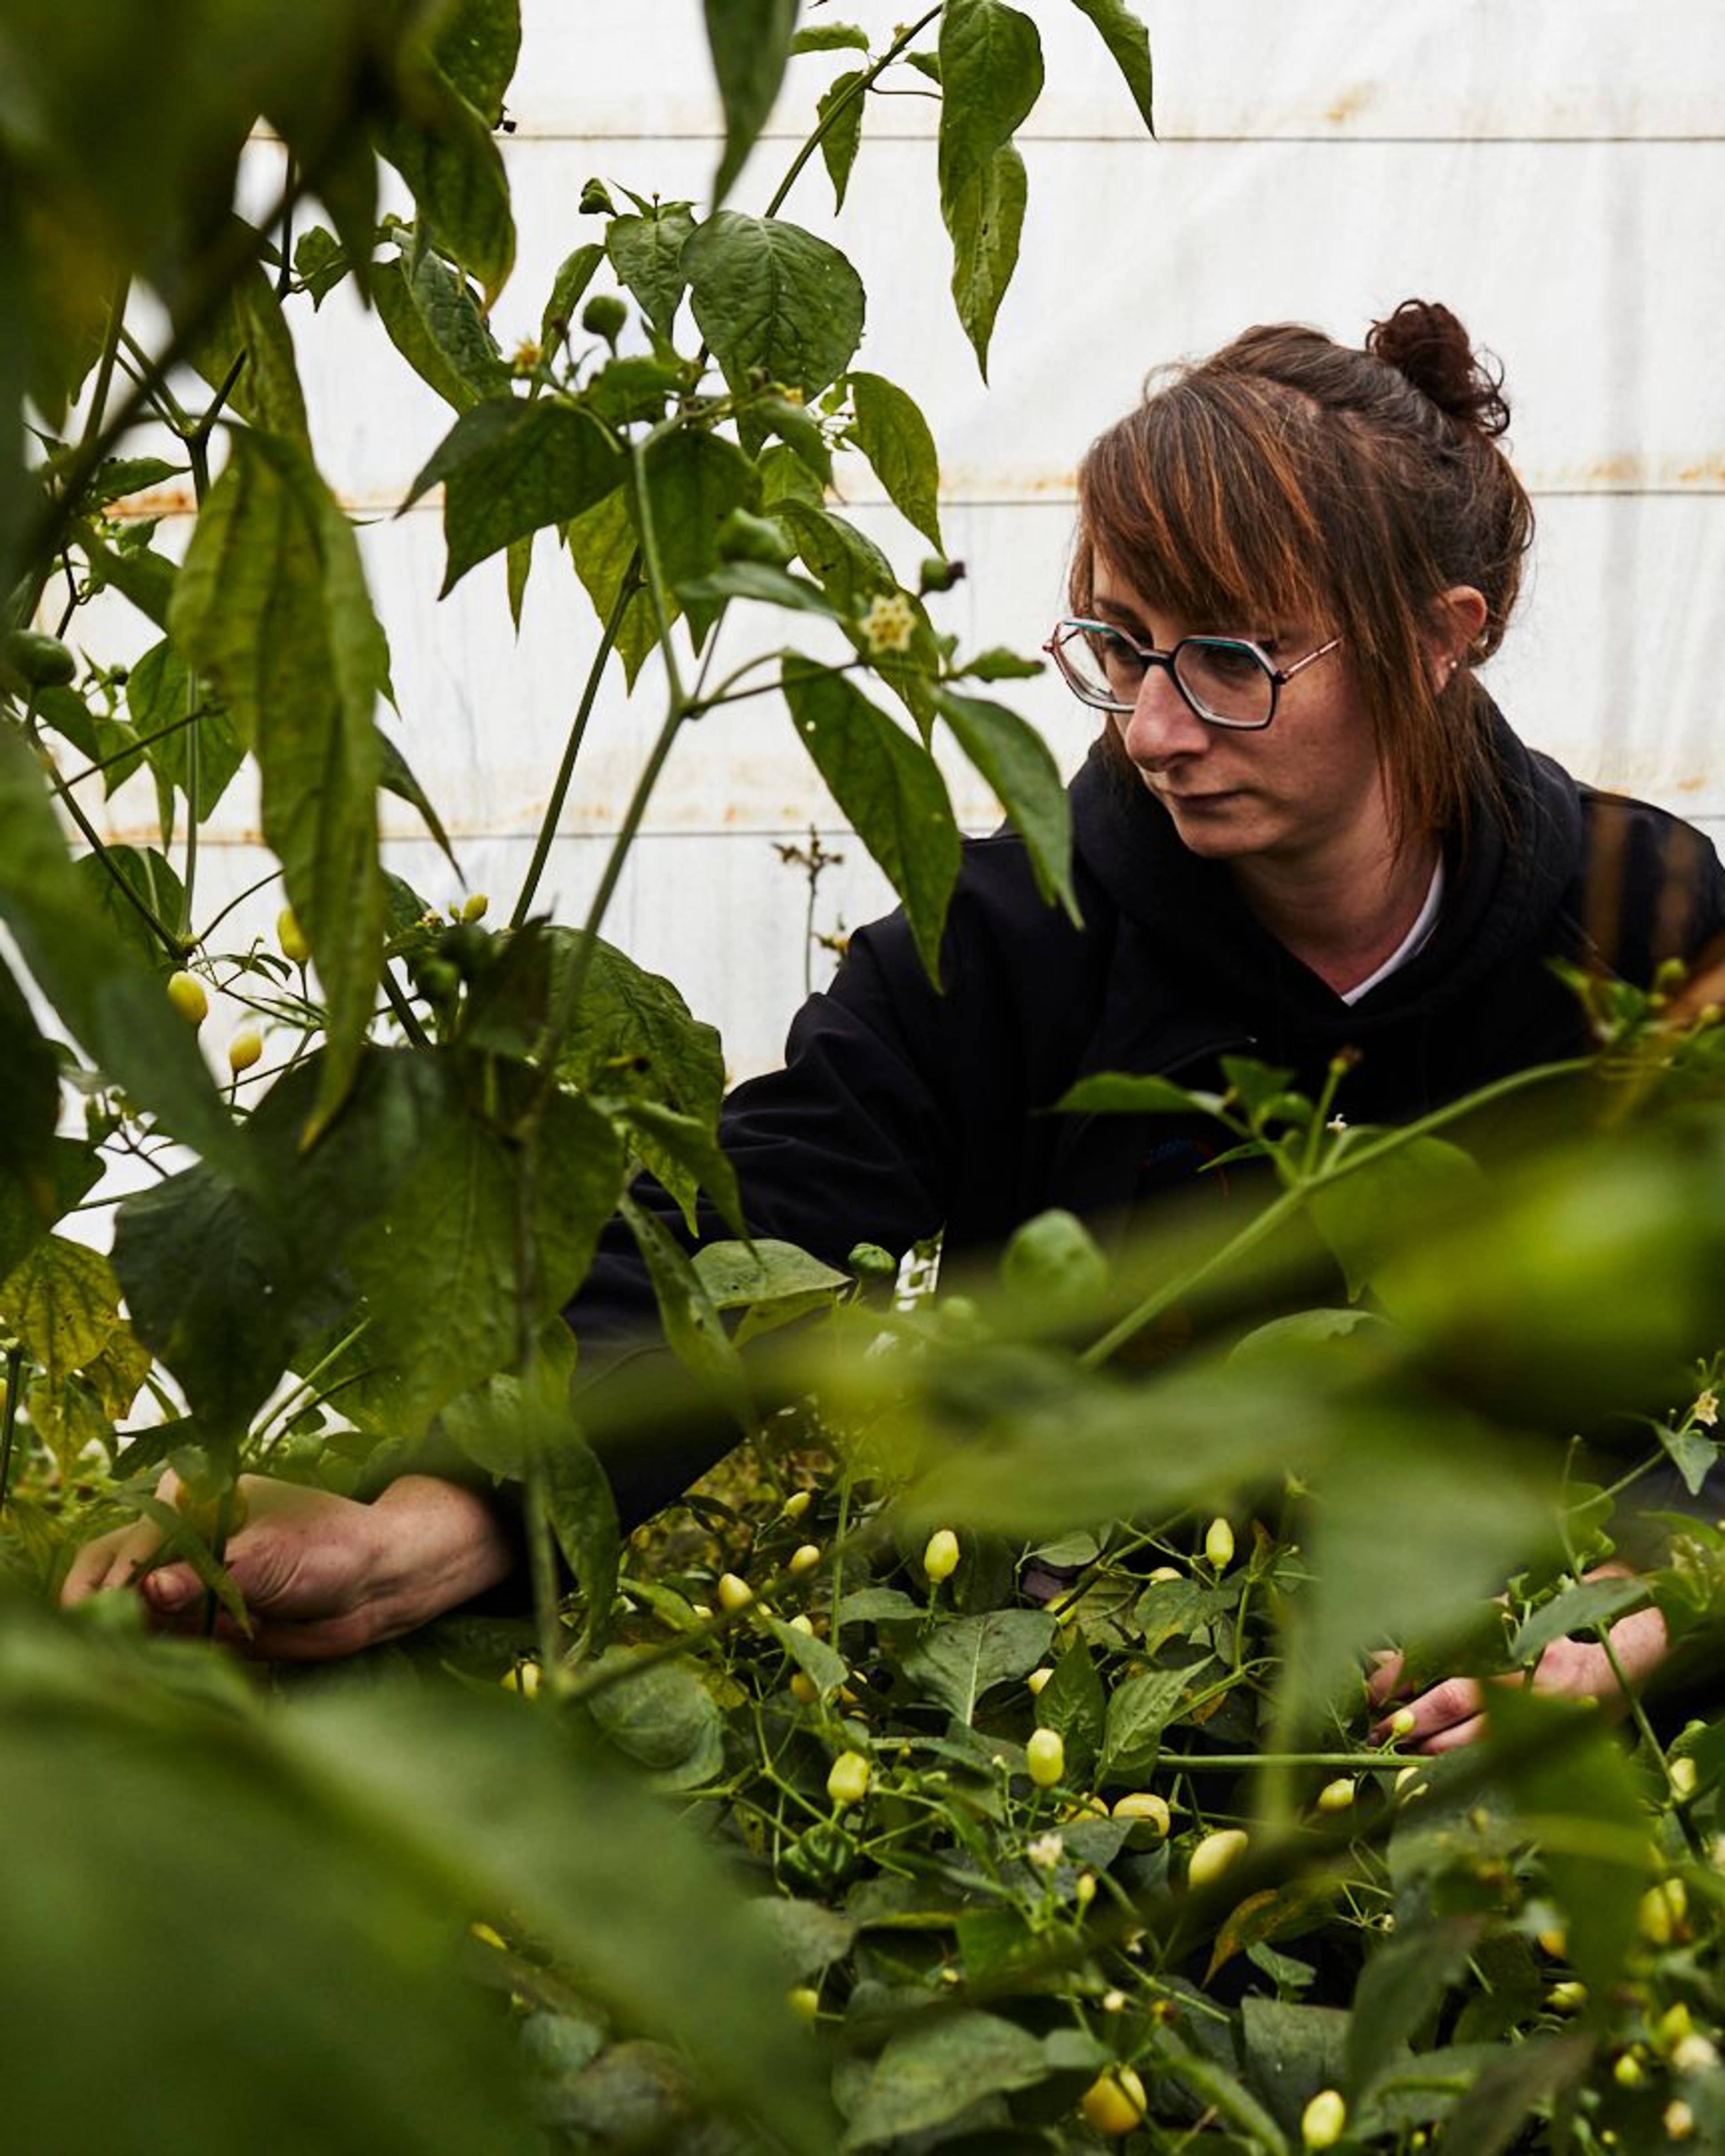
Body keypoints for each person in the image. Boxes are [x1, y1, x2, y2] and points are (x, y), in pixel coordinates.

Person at [64, 301, 1725, 1745]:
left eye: (1227, 660)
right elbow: (737, 1250)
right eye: (1120, 648)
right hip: (1084, 1715)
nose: (1153, 728)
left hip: (1511, 1716)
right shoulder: (1013, 934)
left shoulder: (1640, 923)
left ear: (1445, 639)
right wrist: (424, 1517)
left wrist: (1647, 1610)